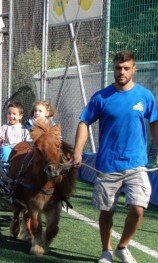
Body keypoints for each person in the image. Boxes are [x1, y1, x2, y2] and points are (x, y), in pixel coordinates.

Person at [70, 50, 158, 263]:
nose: (122, 72)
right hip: (107, 165)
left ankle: (123, 246)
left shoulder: (145, 96)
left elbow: (155, 123)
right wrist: (78, 152)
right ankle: (106, 251)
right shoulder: (101, 97)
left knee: (138, 208)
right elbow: (84, 122)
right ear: (113, 69)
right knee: (107, 211)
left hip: (136, 164)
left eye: (126, 68)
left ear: (134, 69)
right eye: (118, 68)